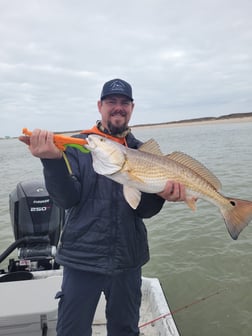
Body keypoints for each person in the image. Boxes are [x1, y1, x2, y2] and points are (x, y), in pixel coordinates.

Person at [19, 78, 186, 336]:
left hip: (127, 259)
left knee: (125, 330)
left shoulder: (143, 153)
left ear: (132, 108)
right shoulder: (79, 146)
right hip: (81, 258)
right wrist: (51, 161)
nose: (118, 107)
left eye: (124, 103)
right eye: (111, 102)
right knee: (71, 330)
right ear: (100, 106)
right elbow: (66, 200)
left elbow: (144, 211)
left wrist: (162, 194)